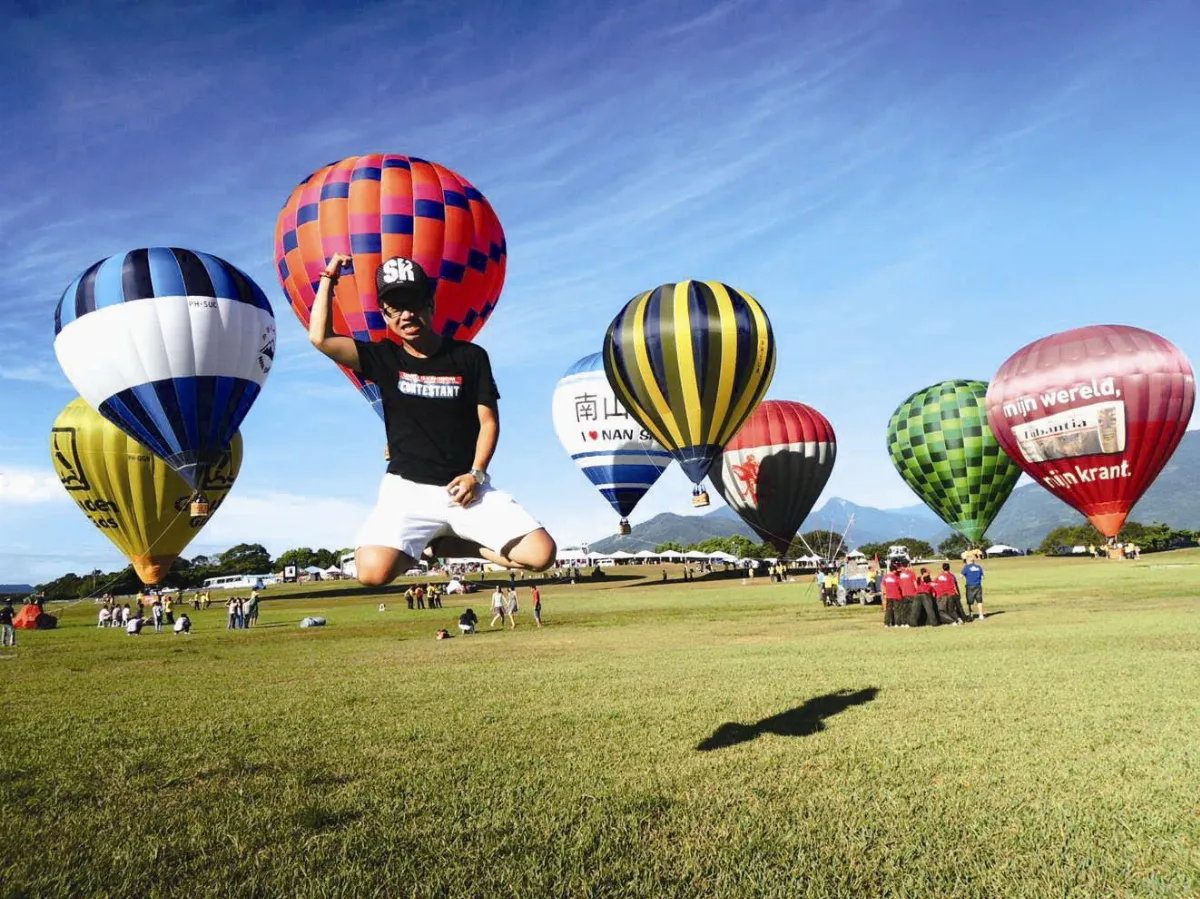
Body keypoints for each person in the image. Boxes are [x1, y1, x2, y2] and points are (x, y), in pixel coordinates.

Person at [308, 252, 556, 587]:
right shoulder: (384, 357)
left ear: (431, 305)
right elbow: (320, 338)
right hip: (407, 490)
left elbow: (488, 422)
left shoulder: (469, 357)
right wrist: (328, 277)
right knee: (370, 574)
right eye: (395, 307)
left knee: (542, 556)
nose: (406, 315)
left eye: (414, 304)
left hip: (464, 486)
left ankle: (448, 544)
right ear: (384, 314)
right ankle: (424, 543)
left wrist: (476, 474)